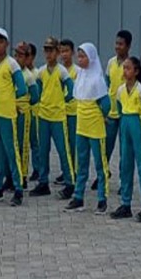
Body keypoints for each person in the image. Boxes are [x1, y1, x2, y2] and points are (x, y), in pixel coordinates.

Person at [0, 28, 31, 205]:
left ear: (7, 44)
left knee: (11, 151)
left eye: (1, 42)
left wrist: (14, 104)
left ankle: (18, 188)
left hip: (7, 114)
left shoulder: (12, 64)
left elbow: (22, 88)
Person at [66, 42, 113, 212]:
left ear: (91, 58)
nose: (80, 59)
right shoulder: (80, 76)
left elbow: (106, 104)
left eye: (83, 56)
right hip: (81, 126)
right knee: (81, 162)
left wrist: (103, 116)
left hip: (95, 127)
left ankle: (102, 198)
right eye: (79, 56)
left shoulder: (97, 79)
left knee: (100, 164)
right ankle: (78, 197)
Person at [109, 56, 141, 221]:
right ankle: (125, 203)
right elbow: (120, 108)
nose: (125, 71)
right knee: (125, 164)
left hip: (137, 125)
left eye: (128, 68)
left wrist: (140, 119)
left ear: (136, 72)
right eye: (124, 68)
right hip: (125, 125)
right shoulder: (121, 90)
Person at [34, 37, 74, 200]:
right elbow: (37, 89)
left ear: (57, 53)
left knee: (63, 150)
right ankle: (43, 182)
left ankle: (70, 182)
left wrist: (65, 100)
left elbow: (71, 89)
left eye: (51, 50)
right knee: (43, 150)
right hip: (43, 115)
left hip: (58, 116)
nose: (48, 54)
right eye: (46, 50)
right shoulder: (41, 71)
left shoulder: (61, 71)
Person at [104, 29, 133, 172]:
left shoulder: (131, 65)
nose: (117, 47)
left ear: (128, 46)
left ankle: (124, 180)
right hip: (110, 111)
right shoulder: (110, 63)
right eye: (116, 43)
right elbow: (107, 82)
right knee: (106, 146)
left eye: (121, 44)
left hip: (125, 113)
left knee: (125, 149)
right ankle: (103, 173)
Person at [17, 41, 40, 191]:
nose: (18, 58)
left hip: (29, 113)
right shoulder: (14, 73)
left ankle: (27, 173)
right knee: (16, 145)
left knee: (29, 144)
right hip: (13, 113)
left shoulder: (31, 75)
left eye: (22, 55)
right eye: (16, 55)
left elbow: (35, 96)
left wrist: (25, 105)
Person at [59, 39, 80, 199]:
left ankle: (75, 171)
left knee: (73, 144)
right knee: (63, 144)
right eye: (62, 51)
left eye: (66, 51)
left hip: (73, 112)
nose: (64, 54)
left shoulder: (76, 71)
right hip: (60, 113)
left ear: (72, 53)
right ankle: (66, 170)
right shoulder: (58, 70)